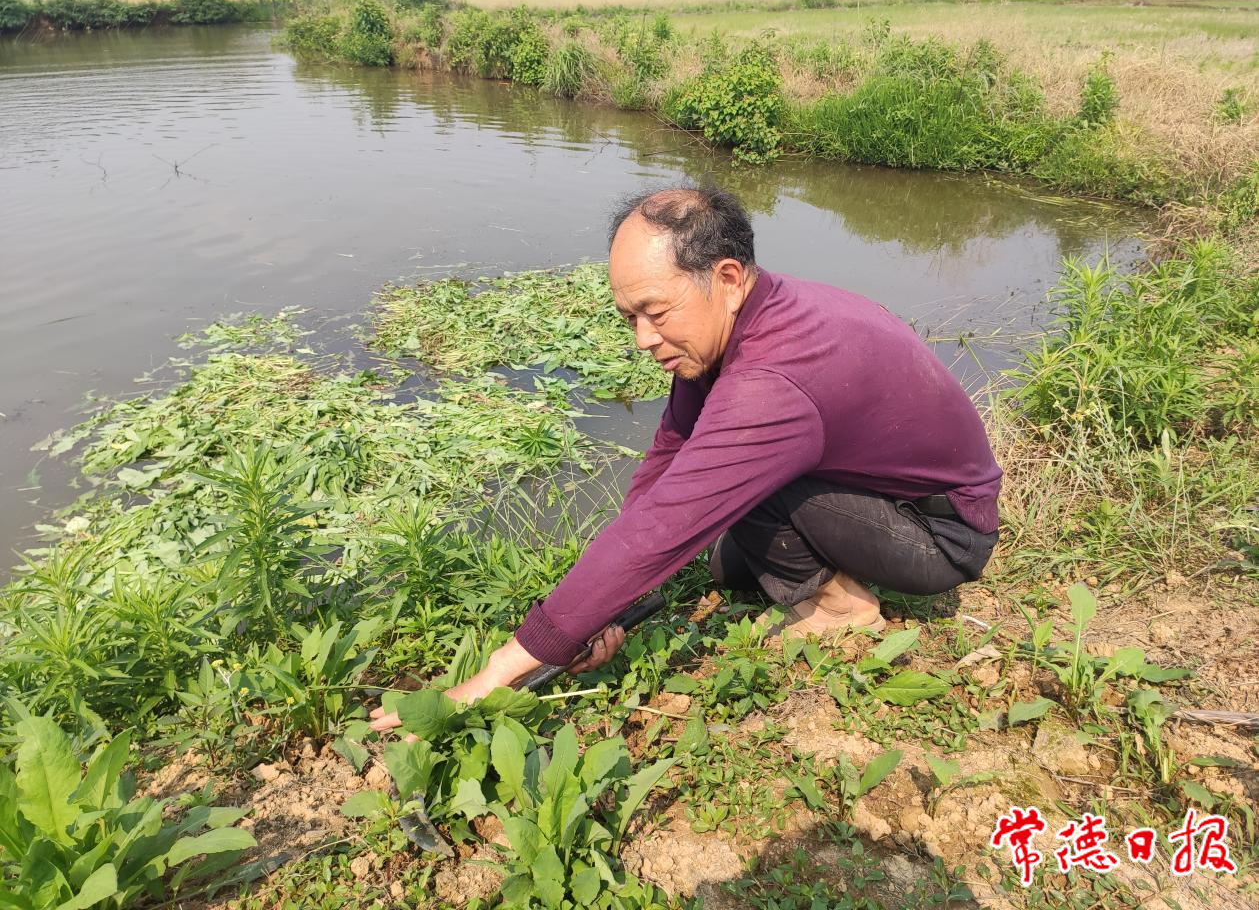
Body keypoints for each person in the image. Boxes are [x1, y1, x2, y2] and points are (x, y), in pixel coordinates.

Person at [370, 185, 1001, 729]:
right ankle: (817, 580)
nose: (643, 339)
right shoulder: (740, 319)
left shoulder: (772, 379)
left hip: (939, 536)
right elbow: (668, 459)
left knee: (730, 501)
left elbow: (670, 520)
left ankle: (845, 611)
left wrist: (501, 671)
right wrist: (604, 610)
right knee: (729, 567)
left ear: (726, 278)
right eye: (629, 318)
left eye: (655, 312)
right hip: (868, 498)